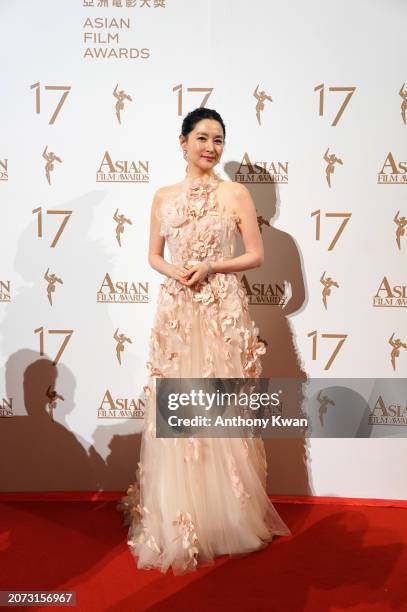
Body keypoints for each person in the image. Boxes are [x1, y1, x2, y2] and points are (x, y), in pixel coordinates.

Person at [118, 107, 291, 576]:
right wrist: (175, 270)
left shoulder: (235, 193)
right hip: (178, 310)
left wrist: (213, 267)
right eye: (201, 138)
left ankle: (226, 517)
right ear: (182, 141)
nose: (210, 147)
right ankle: (181, 515)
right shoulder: (162, 196)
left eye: (218, 140)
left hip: (223, 312)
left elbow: (255, 255)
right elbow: (153, 255)